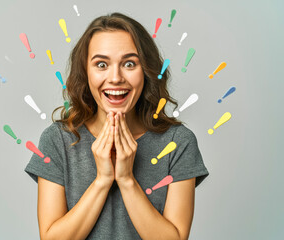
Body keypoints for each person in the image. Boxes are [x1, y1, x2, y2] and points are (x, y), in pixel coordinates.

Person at [25, 12, 209, 240]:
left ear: (147, 71)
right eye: (101, 64)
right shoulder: (57, 140)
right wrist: (102, 180)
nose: (115, 77)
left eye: (129, 64)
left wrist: (126, 179)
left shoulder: (178, 142)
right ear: (86, 72)